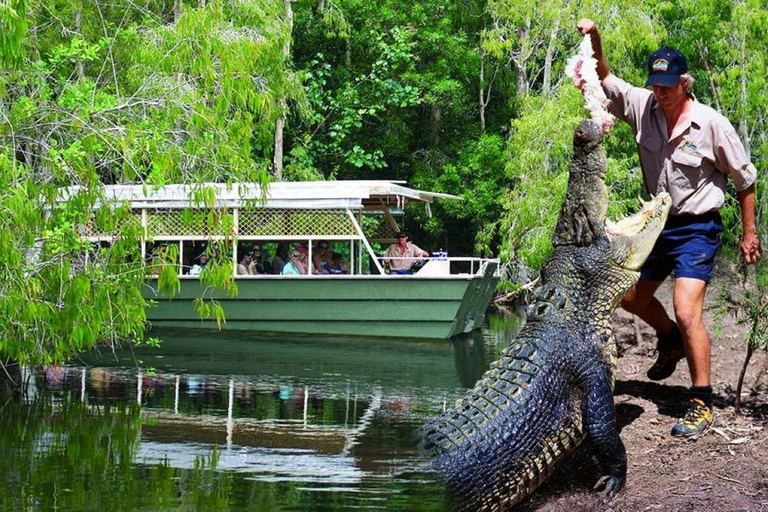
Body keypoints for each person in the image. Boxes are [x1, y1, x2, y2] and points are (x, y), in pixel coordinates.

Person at [576, 19, 761, 437]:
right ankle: (670, 339)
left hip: (697, 228)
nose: (661, 92)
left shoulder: (711, 124)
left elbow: (745, 180)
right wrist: (594, 38)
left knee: (686, 306)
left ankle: (701, 401)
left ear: (685, 84)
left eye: (669, 85)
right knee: (630, 298)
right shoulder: (643, 105)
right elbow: (604, 75)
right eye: (656, 84)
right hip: (656, 225)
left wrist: (750, 233)